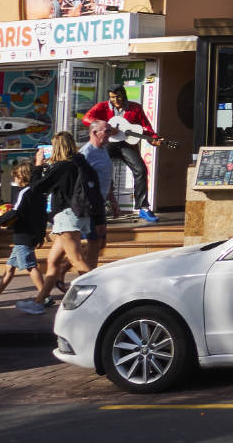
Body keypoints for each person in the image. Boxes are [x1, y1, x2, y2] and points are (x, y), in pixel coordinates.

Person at [29, 131, 96, 310]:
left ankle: (100, 293)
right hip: (77, 214)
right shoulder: (78, 163)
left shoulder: (62, 167)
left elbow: (37, 188)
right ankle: (39, 302)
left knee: (76, 260)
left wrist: (37, 165)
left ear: (56, 147)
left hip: (67, 216)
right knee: (53, 262)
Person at [81, 84, 163, 222]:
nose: (115, 100)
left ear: (124, 94)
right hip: (109, 142)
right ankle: (95, 203)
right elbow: (86, 118)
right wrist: (106, 127)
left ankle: (143, 208)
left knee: (141, 170)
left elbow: (146, 127)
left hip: (127, 144)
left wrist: (153, 139)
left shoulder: (135, 108)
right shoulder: (102, 106)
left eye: (118, 96)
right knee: (99, 169)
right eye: (112, 97)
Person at [0, 162, 51, 308]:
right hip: (31, 234)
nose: (15, 179)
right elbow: (42, 216)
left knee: (30, 266)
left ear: (22, 176)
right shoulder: (38, 194)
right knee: (9, 269)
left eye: (16, 176)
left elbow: (16, 212)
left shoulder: (24, 193)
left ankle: (45, 296)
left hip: (23, 235)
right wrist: (41, 234)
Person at [79, 122, 117, 265]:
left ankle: (65, 267)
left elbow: (107, 177)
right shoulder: (86, 153)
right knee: (94, 241)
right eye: (107, 131)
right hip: (89, 203)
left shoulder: (104, 150)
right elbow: (78, 180)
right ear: (95, 132)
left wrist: (112, 200)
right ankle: (87, 273)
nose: (110, 135)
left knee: (100, 242)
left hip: (100, 202)